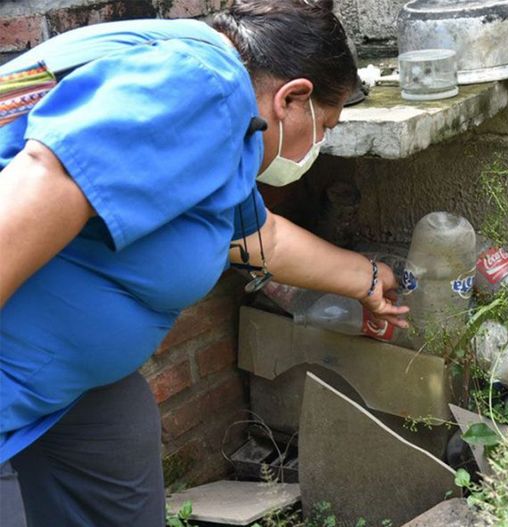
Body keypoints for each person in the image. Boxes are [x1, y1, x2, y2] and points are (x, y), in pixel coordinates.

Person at [0, 1, 408, 525]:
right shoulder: (206, 84)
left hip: (68, 384)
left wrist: (369, 279)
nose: (322, 143)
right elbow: (45, 176)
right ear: (293, 97)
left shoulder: (226, 123)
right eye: (325, 125)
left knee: (119, 436)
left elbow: (258, 238)